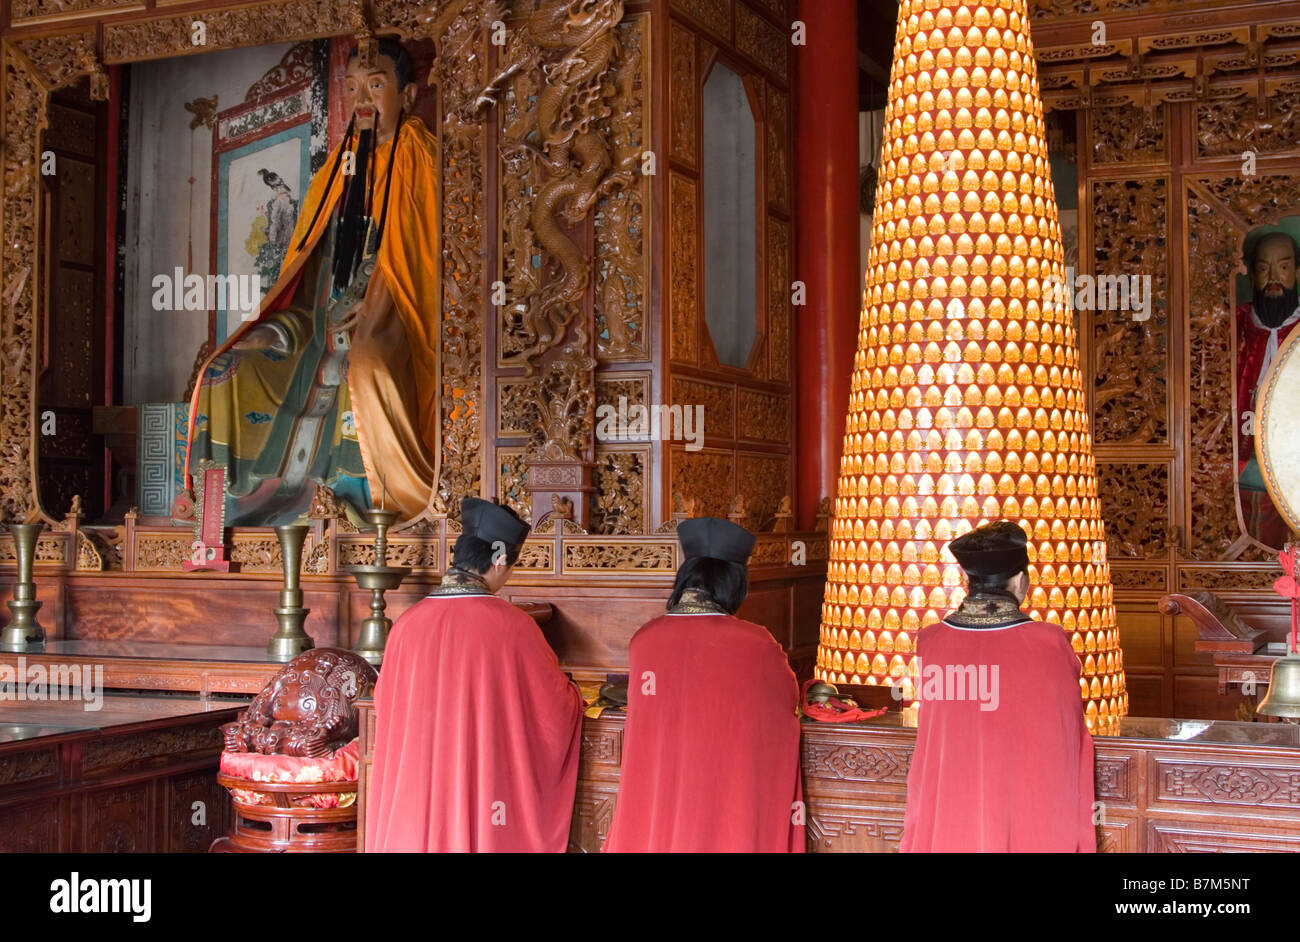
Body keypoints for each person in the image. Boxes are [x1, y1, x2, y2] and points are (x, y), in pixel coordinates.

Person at [185, 38, 440, 526]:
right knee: (226, 368)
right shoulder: (333, 176)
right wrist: (278, 328)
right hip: (315, 330)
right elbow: (304, 279)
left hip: (395, 320)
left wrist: (373, 307)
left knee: (367, 367)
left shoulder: (423, 161)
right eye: (353, 88)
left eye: (378, 85)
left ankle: (373, 506)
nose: (363, 100)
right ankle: (222, 513)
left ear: (406, 96)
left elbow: (426, 268)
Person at [366, 497, 583, 852]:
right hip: (482, 796)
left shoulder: (405, 625)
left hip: (418, 800)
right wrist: (574, 694)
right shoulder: (513, 626)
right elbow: (554, 708)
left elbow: (385, 706)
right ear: (499, 560)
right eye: (510, 567)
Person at [603, 517, 804, 853]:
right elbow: (786, 704)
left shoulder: (644, 642)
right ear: (734, 583)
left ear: (686, 576)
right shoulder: (756, 644)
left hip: (660, 808)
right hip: (726, 806)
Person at [901, 520, 1096, 853]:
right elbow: (1069, 737)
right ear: (1021, 581)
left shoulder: (931, 642)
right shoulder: (1050, 643)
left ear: (966, 581)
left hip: (950, 818)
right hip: (1028, 819)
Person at [1236, 231, 1300, 546]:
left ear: (1297, 272)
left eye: (1283, 267)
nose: (1273, 278)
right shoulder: (1234, 327)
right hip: (1239, 467)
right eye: (1263, 269)